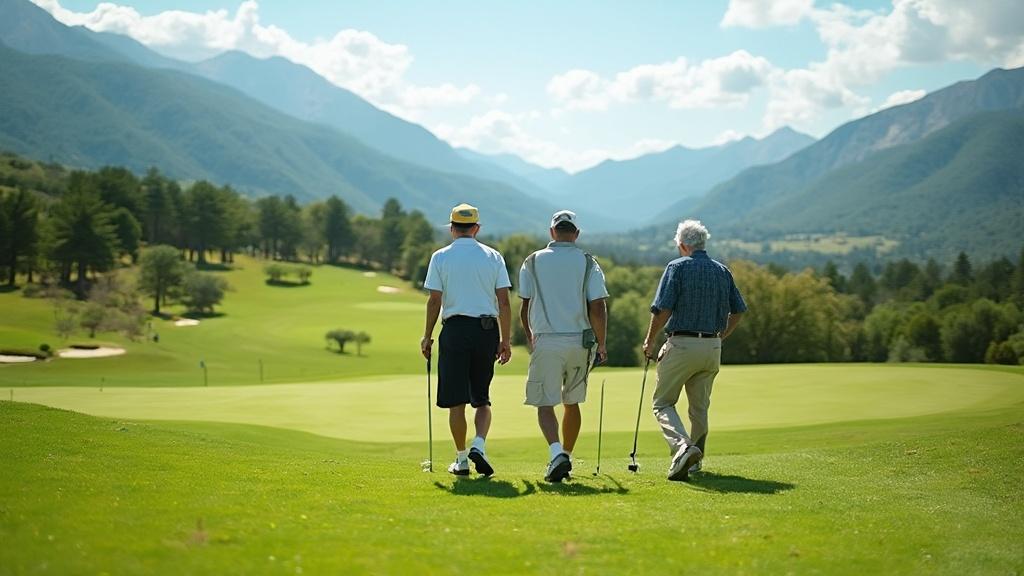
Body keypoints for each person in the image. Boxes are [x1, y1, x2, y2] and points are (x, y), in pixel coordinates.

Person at [642, 219, 746, 482]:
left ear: (682, 245)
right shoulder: (723, 271)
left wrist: (650, 340)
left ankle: (683, 448)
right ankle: (696, 463)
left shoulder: (676, 267)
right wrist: (721, 336)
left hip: (682, 344)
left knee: (662, 403)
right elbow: (739, 310)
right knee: (699, 408)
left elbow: (662, 308)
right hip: (711, 346)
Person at [421, 203, 512, 477]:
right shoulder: (493, 257)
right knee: (482, 399)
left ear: (451, 229)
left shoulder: (440, 257)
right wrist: (505, 340)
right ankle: (479, 446)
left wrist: (427, 336)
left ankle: (461, 460)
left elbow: (434, 301)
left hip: (454, 331)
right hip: (486, 331)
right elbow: (504, 303)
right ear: (476, 228)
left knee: (456, 402)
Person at [519, 210, 608, 482]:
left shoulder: (532, 261)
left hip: (546, 339)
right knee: (572, 401)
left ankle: (557, 453)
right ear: (576, 233)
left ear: (552, 232)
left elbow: (524, 306)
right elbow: (598, 307)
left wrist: (529, 334)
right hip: (580, 342)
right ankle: (565, 456)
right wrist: (602, 343)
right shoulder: (587, 262)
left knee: (545, 402)